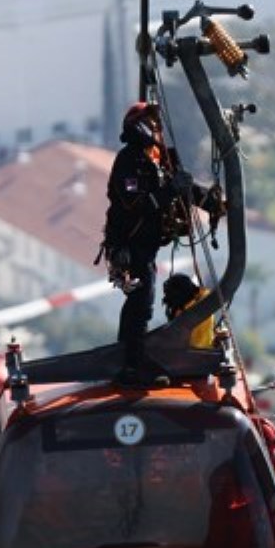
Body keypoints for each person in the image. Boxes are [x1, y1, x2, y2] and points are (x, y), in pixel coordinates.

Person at [100, 102, 224, 386]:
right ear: (140, 126)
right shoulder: (129, 161)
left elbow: (182, 187)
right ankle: (131, 364)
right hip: (131, 245)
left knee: (142, 302)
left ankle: (132, 358)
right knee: (140, 304)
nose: (157, 129)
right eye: (152, 124)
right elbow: (134, 204)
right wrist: (170, 190)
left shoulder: (154, 159)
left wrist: (210, 202)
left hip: (147, 243)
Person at [161, 273, 216, 349]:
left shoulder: (185, 315)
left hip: (194, 356)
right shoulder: (203, 299)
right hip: (205, 349)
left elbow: (179, 345)